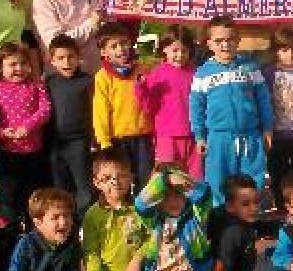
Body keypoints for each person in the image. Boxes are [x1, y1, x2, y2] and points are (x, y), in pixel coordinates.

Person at [124, 166, 235, 271]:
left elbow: (204, 196)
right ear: (157, 200)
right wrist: (164, 181)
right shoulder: (152, 220)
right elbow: (141, 204)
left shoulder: (197, 218)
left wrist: (181, 181)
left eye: (178, 194)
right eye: (166, 196)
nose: (173, 200)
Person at [190, 15, 274, 206]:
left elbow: (263, 100)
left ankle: (251, 221)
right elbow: (196, 107)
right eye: (219, 41)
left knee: (253, 180)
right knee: (218, 182)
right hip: (219, 138)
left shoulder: (250, 67)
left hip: (250, 136)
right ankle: (221, 223)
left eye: (229, 40)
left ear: (238, 41)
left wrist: (267, 128)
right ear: (209, 43)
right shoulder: (203, 73)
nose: (225, 45)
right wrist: (200, 136)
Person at [0, 42, 51, 228]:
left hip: (34, 152)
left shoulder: (36, 86)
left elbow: (45, 109)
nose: (19, 69)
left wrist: (28, 126)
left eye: (23, 64)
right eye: (12, 64)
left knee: (34, 195)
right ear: (0, 67)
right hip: (7, 154)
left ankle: (34, 233)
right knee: (8, 196)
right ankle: (10, 234)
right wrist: (1, 132)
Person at [81, 150, 146, 271]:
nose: (115, 182)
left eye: (121, 176)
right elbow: (91, 251)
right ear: (97, 183)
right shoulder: (92, 215)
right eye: (107, 178)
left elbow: (152, 238)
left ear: (131, 178)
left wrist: (138, 259)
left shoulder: (140, 209)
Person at [93, 22, 155, 195]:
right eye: (114, 46)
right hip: (118, 140)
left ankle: (143, 215)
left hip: (143, 137)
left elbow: (152, 102)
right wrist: (105, 142)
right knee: (121, 180)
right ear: (104, 52)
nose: (120, 49)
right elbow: (100, 112)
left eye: (124, 43)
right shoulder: (103, 77)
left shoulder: (142, 70)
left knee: (146, 179)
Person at [135, 26, 200, 179]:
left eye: (184, 51)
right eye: (175, 51)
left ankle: (194, 204)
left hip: (194, 135)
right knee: (167, 179)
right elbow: (148, 106)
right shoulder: (158, 73)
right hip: (167, 136)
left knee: (196, 179)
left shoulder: (196, 72)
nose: (180, 55)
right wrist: (141, 87)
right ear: (165, 49)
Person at [208, 175, 280, 271]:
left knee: (275, 254)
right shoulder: (233, 232)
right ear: (230, 207)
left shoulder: (245, 218)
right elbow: (220, 266)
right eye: (246, 204)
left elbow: (264, 227)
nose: (254, 208)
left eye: (256, 202)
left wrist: (291, 223)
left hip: (250, 267)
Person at [46, 34, 95, 215]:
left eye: (71, 57)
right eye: (61, 58)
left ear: (78, 57)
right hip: (55, 143)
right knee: (60, 187)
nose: (66, 62)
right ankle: (65, 222)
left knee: (84, 187)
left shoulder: (87, 81)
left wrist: (94, 139)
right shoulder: (49, 82)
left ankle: (84, 222)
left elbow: (93, 112)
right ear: (52, 61)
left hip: (79, 142)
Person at [262, 26, 293, 208]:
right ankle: (281, 205)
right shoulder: (269, 73)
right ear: (276, 51)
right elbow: (263, 101)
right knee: (277, 171)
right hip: (277, 133)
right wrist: (265, 128)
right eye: (284, 50)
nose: (290, 54)